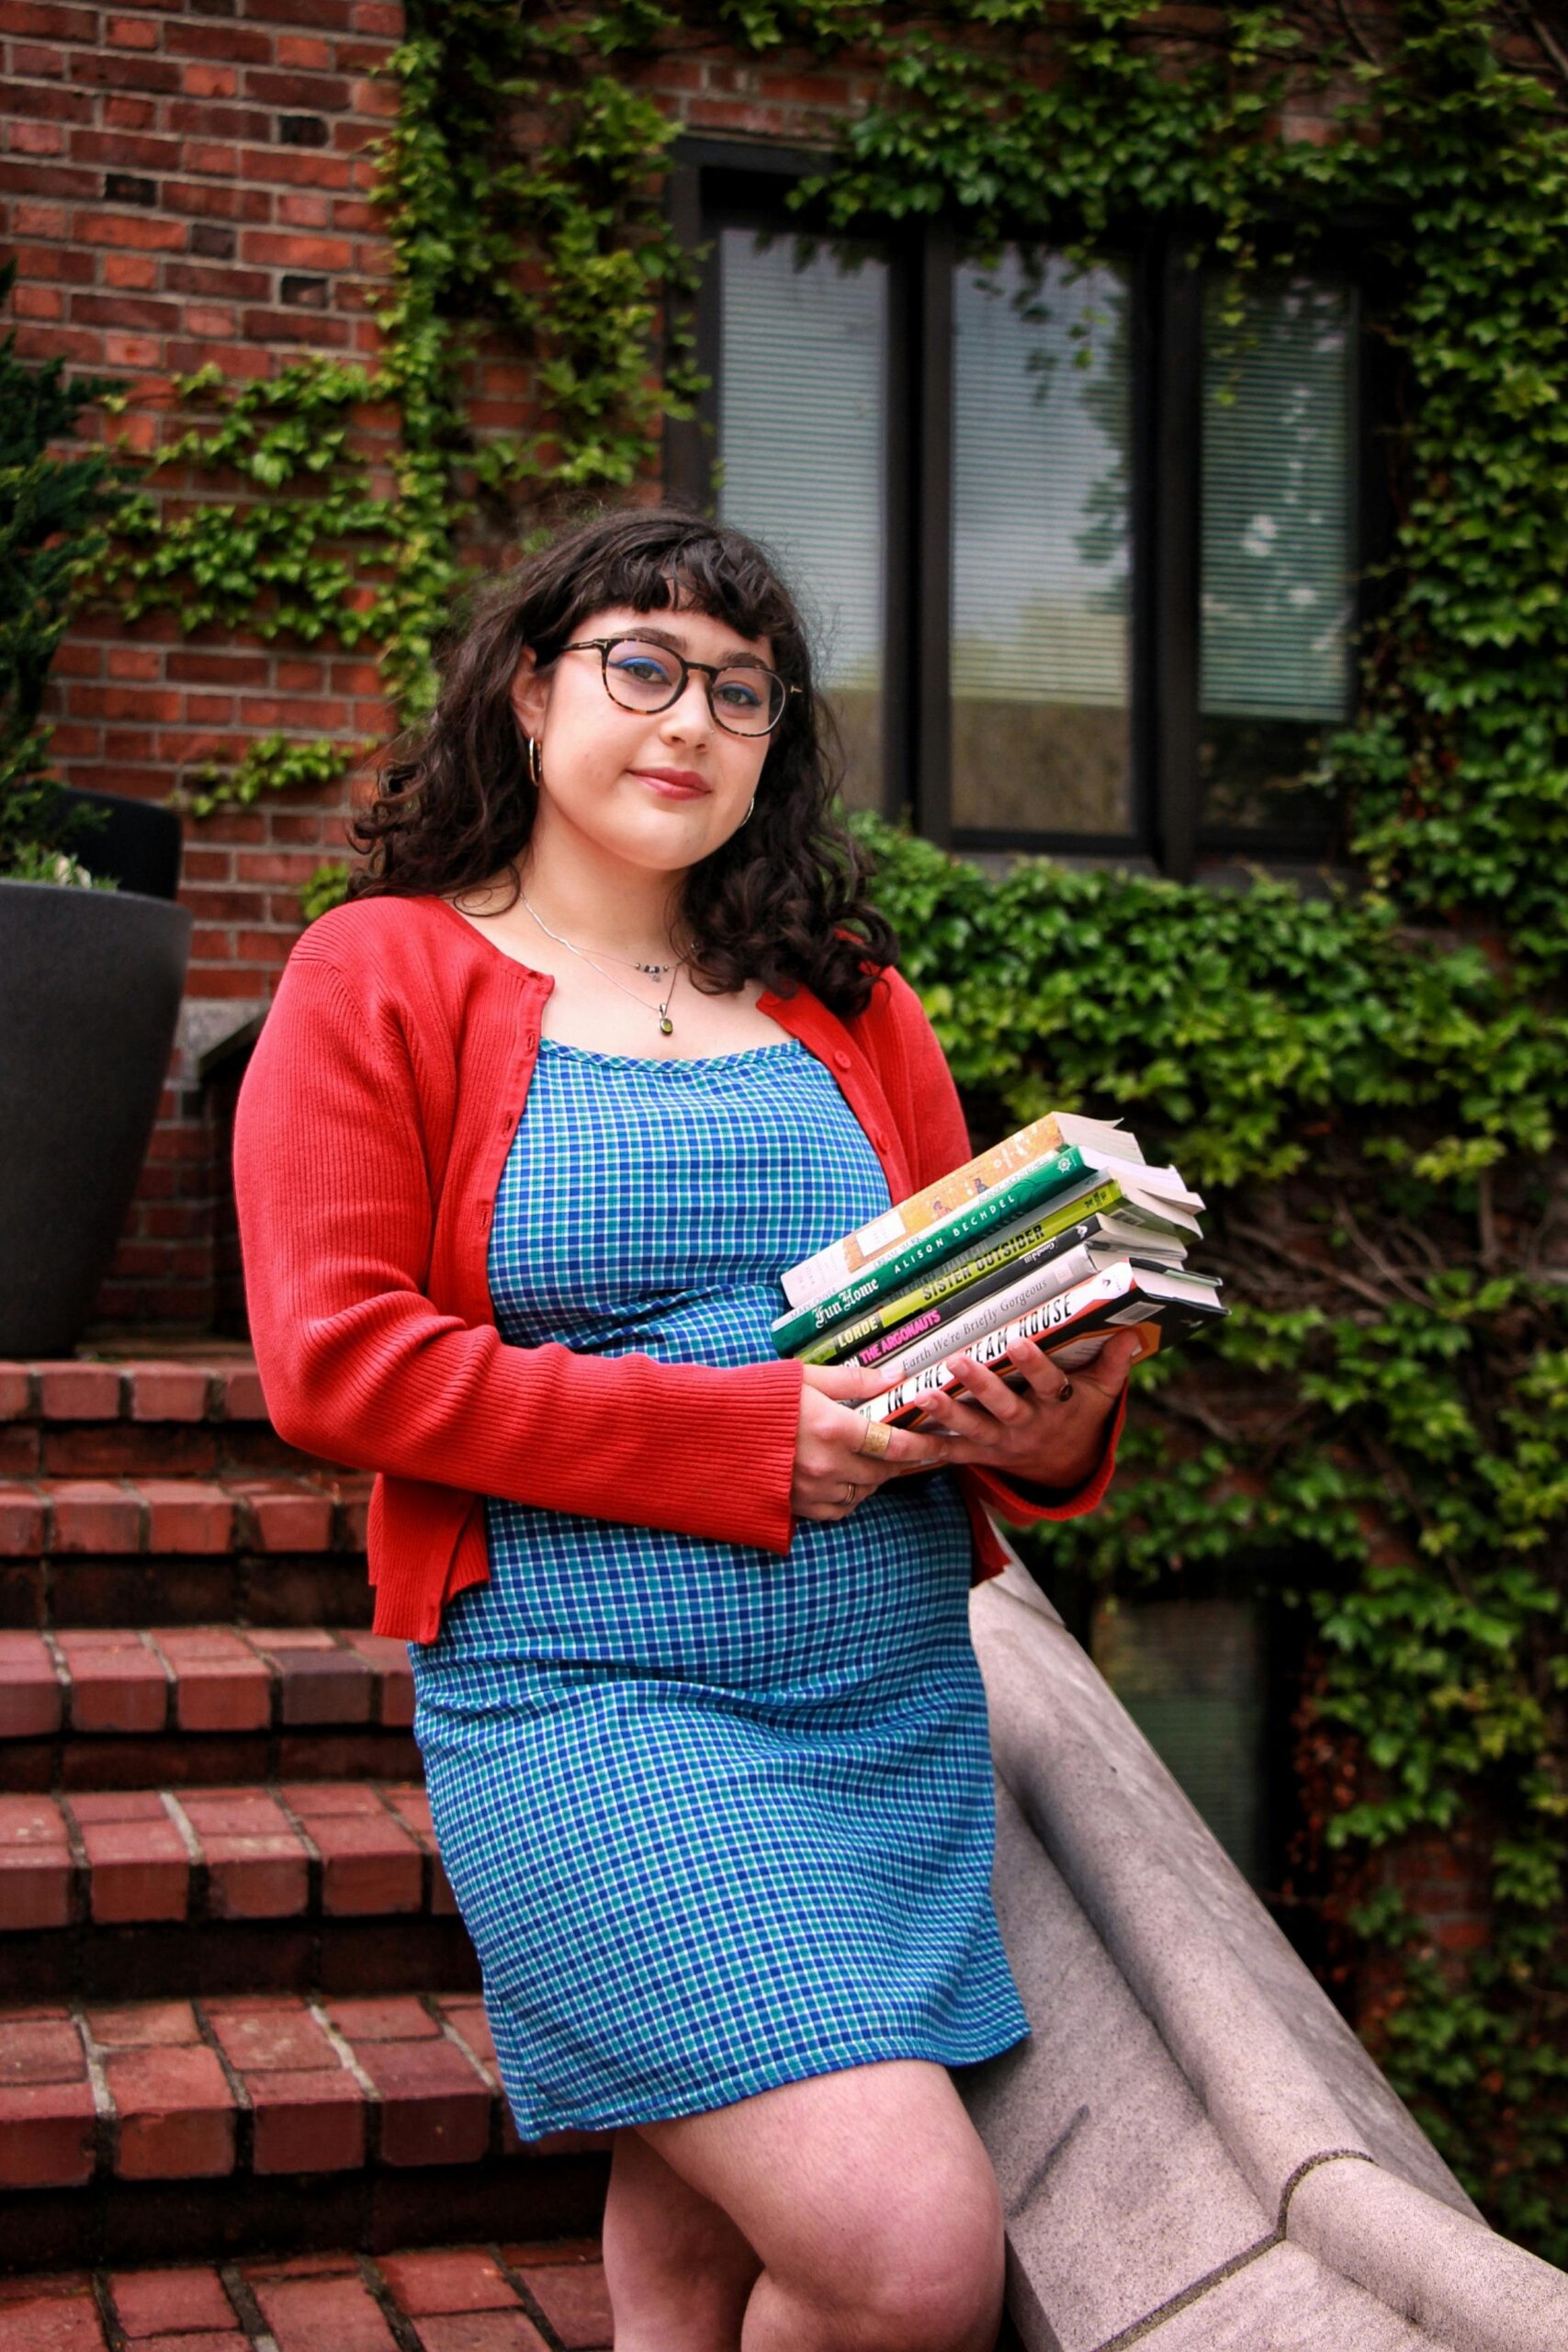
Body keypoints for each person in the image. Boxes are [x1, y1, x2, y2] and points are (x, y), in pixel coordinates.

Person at [232, 503, 1136, 2352]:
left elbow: (936, 1310)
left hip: (885, 1710)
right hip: (592, 1708)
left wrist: (1043, 1410)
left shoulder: (847, 999)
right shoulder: (378, 972)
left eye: (741, 690)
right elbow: (335, 1363)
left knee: (700, 2245)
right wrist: (736, 1439)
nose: (691, 719)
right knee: (902, 2253)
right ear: (523, 687)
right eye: (641, 665)